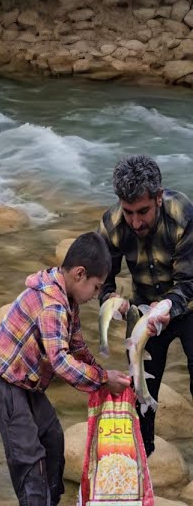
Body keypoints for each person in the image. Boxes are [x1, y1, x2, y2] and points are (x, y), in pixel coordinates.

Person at [0, 231, 130, 506]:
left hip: (27, 379)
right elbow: (61, 361)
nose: (97, 295)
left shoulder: (68, 299)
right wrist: (101, 379)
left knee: (52, 438)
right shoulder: (52, 304)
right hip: (3, 381)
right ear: (79, 273)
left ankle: (51, 500)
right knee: (28, 458)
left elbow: (77, 348)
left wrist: (104, 374)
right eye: (97, 287)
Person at [97, 154, 193, 455]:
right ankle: (144, 456)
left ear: (159, 197)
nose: (135, 222)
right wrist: (110, 299)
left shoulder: (183, 215)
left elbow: (189, 283)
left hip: (188, 306)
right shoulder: (112, 225)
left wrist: (165, 307)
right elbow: (101, 279)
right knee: (141, 390)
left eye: (143, 211)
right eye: (128, 212)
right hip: (144, 313)